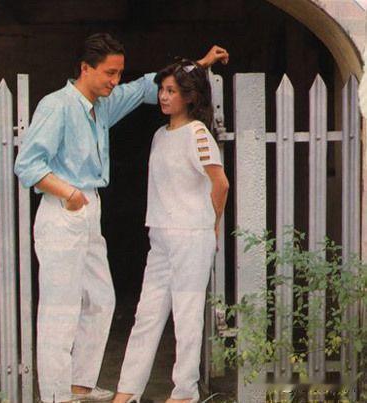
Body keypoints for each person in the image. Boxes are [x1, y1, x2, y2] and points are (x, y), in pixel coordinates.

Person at [14, 33, 229, 403]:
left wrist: (200, 64)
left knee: (101, 299)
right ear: (85, 68)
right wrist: (69, 194)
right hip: (64, 207)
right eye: (109, 73)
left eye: (118, 73)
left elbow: (148, 87)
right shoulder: (57, 105)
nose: (115, 81)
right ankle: (55, 395)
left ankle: (80, 384)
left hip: (88, 208)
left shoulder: (103, 106)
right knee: (60, 308)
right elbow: (27, 166)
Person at [112, 59, 229, 403]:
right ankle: (127, 391)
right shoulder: (159, 135)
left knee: (187, 316)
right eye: (162, 90)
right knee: (146, 316)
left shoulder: (198, 133)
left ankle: (184, 392)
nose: (163, 97)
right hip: (161, 235)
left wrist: (212, 224)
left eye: (171, 91)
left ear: (189, 97)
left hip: (191, 235)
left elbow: (220, 184)